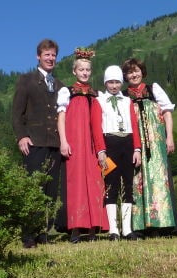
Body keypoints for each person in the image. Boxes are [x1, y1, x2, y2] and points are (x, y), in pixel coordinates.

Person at [121, 58, 177, 237]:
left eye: (137, 71)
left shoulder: (153, 89)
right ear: (126, 76)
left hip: (156, 143)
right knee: (138, 183)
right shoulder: (123, 96)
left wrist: (170, 137)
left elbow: (167, 113)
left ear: (142, 72)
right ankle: (141, 226)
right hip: (135, 146)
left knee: (159, 181)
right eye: (130, 72)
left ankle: (163, 224)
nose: (134, 74)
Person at [12, 38, 66, 248]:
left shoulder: (60, 85)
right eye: (47, 55)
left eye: (53, 55)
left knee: (51, 190)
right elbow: (17, 113)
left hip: (54, 144)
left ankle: (44, 233)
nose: (50, 58)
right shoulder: (26, 80)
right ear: (38, 56)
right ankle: (28, 235)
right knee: (33, 187)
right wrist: (21, 136)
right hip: (33, 142)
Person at [57, 48, 108, 243]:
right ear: (74, 71)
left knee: (94, 184)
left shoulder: (96, 95)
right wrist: (63, 141)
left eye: (88, 70)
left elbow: (97, 124)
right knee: (76, 185)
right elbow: (61, 118)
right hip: (75, 143)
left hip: (92, 147)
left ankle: (94, 229)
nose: (85, 72)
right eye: (81, 69)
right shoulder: (67, 92)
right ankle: (76, 230)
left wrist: (101, 149)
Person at [91, 65, 142, 241]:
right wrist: (101, 151)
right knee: (111, 184)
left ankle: (127, 229)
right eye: (110, 82)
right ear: (105, 83)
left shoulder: (127, 101)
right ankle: (114, 229)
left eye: (117, 82)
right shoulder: (99, 101)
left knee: (128, 184)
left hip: (127, 142)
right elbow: (96, 127)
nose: (114, 86)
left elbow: (134, 126)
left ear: (121, 82)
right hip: (109, 143)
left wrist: (137, 149)